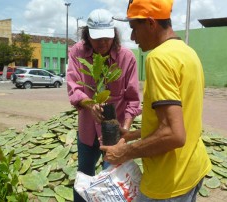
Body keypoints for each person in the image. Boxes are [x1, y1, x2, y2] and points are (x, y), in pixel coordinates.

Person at [100, 0, 212, 201]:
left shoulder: (159, 58)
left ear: (151, 23)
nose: (133, 37)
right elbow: (178, 120)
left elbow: (174, 135)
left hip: (168, 182)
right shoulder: (188, 53)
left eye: (134, 28)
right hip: (193, 168)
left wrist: (123, 152)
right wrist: (132, 134)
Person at [66, 8, 142, 202]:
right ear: (87, 35)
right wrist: (91, 105)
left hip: (113, 134)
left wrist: (124, 129)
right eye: (96, 38)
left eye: (107, 38)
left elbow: (133, 99)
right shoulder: (77, 52)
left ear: (114, 34)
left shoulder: (127, 58)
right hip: (87, 130)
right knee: (84, 174)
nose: (102, 43)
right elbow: (74, 86)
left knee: (111, 178)